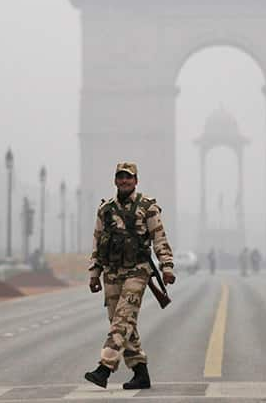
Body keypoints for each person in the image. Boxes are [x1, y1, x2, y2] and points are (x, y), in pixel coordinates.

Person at [84, 162, 175, 390]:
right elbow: (97, 242)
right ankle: (140, 371)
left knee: (123, 318)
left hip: (138, 271)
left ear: (136, 181)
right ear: (115, 180)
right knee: (122, 322)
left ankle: (104, 368)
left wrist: (167, 266)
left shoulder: (147, 207)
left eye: (128, 177)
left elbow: (159, 238)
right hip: (112, 272)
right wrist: (94, 273)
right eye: (120, 177)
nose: (124, 181)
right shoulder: (105, 210)